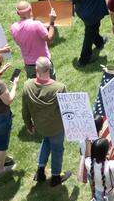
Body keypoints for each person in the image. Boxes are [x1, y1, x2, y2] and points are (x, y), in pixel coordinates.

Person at [22, 57, 71, 186]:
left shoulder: (27, 85)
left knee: (46, 141)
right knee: (57, 150)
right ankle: (55, 177)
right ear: (50, 69)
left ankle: (40, 171)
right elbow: (66, 110)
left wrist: (28, 125)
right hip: (56, 128)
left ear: (36, 69)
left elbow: (25, 109)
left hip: (40, 126)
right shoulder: (59, 87)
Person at [10, 0, 57, 78]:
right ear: (31, 10)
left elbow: (18, 43)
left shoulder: (13, 27)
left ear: (18, 13)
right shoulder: (37, 24)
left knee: (34, 85)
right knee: (50, 84)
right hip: (44, 63)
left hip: (29, 66)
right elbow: (49, 39)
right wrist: (52, 22)